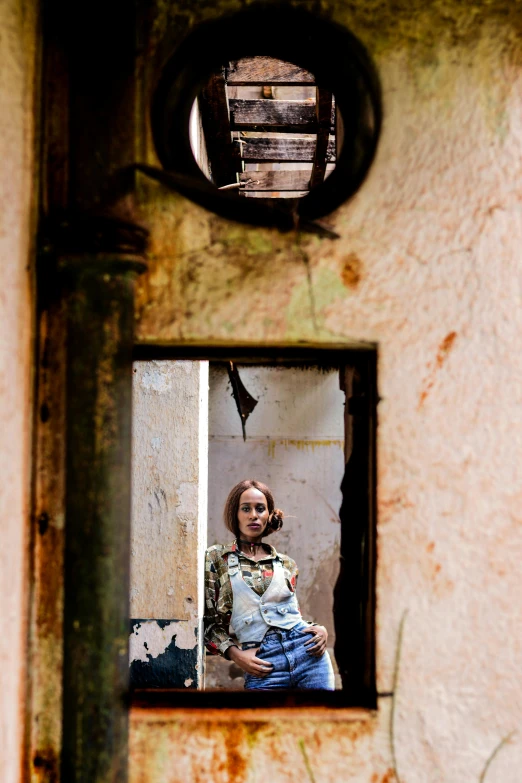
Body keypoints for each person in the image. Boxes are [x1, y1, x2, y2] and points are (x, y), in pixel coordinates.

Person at [204, 479, 335, 690]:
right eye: (245, 508)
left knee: (321, 722)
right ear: (235, 514)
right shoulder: (217, 558)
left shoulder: (286, 564)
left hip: (310, 656)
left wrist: (319, 629)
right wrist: (236, 655)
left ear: (269, 515)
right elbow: (209, 626)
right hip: (262, 663)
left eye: (260, 509)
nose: (253, 515)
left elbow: (290, 616)